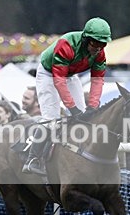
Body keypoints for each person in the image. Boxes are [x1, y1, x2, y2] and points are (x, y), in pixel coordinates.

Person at [25, 17, 111, 175]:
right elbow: (59, 81)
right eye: (95, 43)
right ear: (86, 39)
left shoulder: (100, 53)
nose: (98, 48)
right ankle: (33, 158)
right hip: (49, 73)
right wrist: (72, 108)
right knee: (51, 119)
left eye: (102, 44)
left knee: (84, 116)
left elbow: (97, 80)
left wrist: (93, 105)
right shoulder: (67, 44)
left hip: (70, 75)